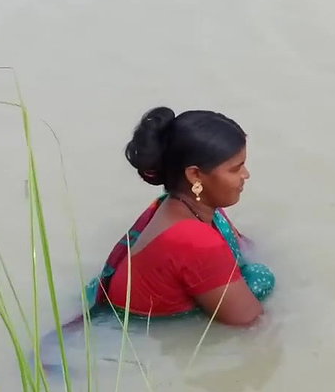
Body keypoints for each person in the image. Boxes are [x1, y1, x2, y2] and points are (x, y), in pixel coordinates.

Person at [84, 107, 275, 326]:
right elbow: (252, 324)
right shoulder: (195, 241)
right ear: (195, 175)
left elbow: (244, 249)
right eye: (235, 169)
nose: (246, 175)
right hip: (126, 341)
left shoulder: (185, 206)